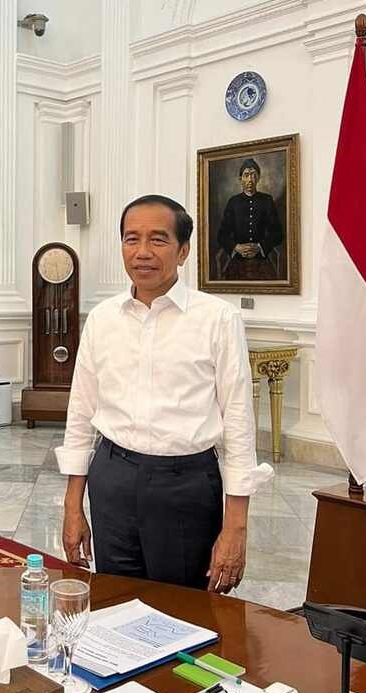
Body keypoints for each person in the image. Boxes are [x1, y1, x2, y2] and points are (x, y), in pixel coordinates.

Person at [57, 195, 272, 592]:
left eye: (158, 239)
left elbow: (239, 424)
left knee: (183, 608)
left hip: (185, 486)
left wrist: (235, 527)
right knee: (115, 600)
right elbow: (81, 413)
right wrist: (73, 506)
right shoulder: (103, 319)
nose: (142, 252)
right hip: (112, 477)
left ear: (183, 250)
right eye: (131, 239)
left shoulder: (218, 320)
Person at [216, 158, 283, 280]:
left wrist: (259, 247)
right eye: (246, 175)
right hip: (237, 260)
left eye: (253, 175)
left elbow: (277, 233)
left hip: (262, 260)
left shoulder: (267, 200)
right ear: (240, 179)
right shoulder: (233, 202)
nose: (250, 179)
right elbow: (222, 235)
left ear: (258, 178)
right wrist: (236, 247)